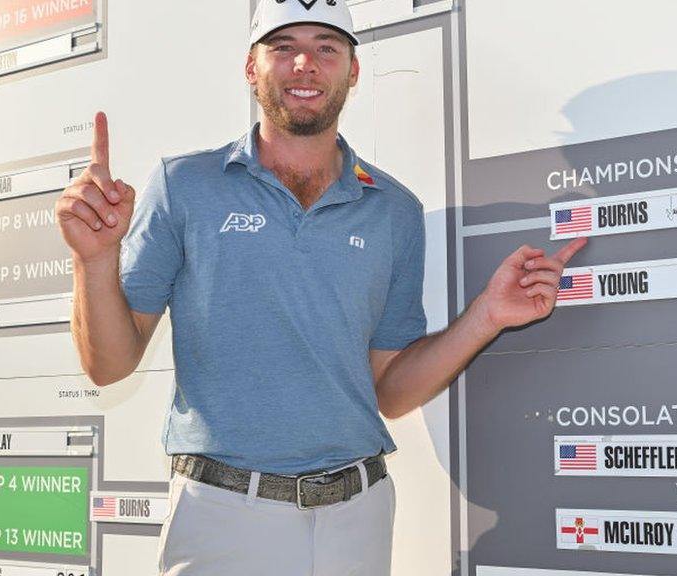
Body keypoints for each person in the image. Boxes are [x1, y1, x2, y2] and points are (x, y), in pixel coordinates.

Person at [56, 0, 586, 573]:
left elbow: (390, 389)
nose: (304, 63)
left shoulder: (394, 209)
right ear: (250, 67)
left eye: (326, 48)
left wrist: (486, 315)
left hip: (356, 518)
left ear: (352, 73)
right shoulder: (184, 186)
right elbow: (107, 366)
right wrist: (95, 261)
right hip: (223, 515)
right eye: (283, 47)